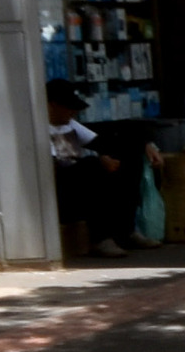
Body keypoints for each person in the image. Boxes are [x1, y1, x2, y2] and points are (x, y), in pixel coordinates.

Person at [46, 78, 132, 258]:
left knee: (123, 156)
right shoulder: (41, 129)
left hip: (80, 177)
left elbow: (101, 143)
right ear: (52, 105)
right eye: (68, 107)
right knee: (92, 167)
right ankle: (100, 238)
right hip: (59, 188)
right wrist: (96, 160)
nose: (73, 113)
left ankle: (126, 230)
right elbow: (55, 167)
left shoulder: (69, 124)